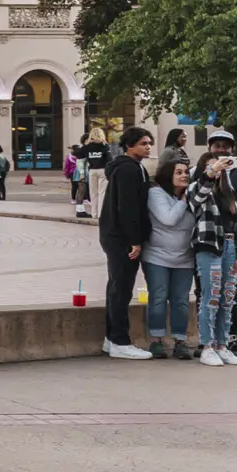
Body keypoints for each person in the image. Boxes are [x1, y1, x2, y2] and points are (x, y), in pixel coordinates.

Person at [94, 126, 156, 360]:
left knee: (117, 287)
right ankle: (120, 340)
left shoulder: (131, 167)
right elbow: (128, 208)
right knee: (121, 289)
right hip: (121, 238)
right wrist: (134, 241)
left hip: (115, 235)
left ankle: (112, 339)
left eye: (149, 143)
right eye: (143, 143)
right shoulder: (129, 169)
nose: (148, 147)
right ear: (129, 146)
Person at [189, 150, 237, 365]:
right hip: (208, 246)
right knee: (211, 297)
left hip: (231, 246)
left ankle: (222, 345)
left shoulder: (231, 193)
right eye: (210, 166)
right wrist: (211, 171)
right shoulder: (197, 188)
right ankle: (207, 346)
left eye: (219, 167)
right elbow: (196, 197)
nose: (216, 170)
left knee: (227, 299)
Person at [141, 158, 198, 359]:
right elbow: (168, 219)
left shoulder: (192, 197)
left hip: (184, 258)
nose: (184, 175)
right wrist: (183, 201)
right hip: (157, 256)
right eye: (179, 172)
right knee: (158, 297)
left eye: (186, 172)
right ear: (168, 175)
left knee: (181, 300)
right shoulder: (156, 194)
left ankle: (180, 340)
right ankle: (156, 340)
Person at [73, 127, 111, 219]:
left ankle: (94, 213)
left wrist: (80, 148)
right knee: (102, 193)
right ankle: (101, 214)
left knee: (93, 193)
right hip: (103, 170)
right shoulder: (105, 146)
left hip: (92, 171)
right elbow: (109, 159)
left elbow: (77, 154)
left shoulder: (87, 147)